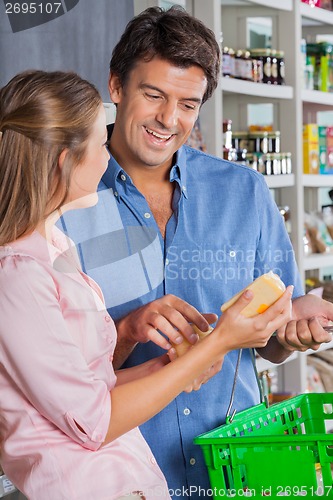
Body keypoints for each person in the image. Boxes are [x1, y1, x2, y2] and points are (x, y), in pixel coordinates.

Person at [58, 6, 333, 498]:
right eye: (154, 95)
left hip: (240, 471)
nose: (169, 119)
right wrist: (123, 333)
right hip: (118, 480)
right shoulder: (61, 198)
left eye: (188, 104)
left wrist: (289, 333)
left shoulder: (244, 192)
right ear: (116, 88)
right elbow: (45, 377)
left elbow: (265, 341)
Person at [0, 70, 298, 500]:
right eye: (100, 144)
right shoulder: (18, 274)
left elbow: (90, 386)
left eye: (188, 104)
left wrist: (181, 363)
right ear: (65, 159)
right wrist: (217, 345)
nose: (107, 158)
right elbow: (92, 421)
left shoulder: (53, 247)